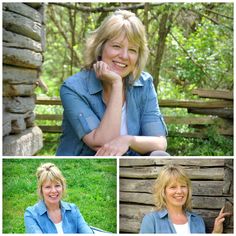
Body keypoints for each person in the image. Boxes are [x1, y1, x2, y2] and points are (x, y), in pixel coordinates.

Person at [56, 10, 168, 156]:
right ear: (100, 47)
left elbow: (160, 142)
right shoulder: (73, 88)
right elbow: (102, 142)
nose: (124, 56)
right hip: (91, 165)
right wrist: (116, 84)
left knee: (160, 156)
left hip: (130, 168)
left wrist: (128, 140)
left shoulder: (144, 84)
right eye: (116, 46)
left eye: (132, 50)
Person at [140, 165, 231, 234]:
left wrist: (216, 233)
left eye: (183, 186)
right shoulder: (151, 221)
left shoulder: (198, 221)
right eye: (173, 187)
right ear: (163, 191)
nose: (179, 191)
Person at [24, 163, 93, 234]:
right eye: (48, 187)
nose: (54, 191)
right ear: (41, 190)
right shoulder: (31, 215)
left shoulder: (73, 210)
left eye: (57, 186)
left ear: (62, 187)